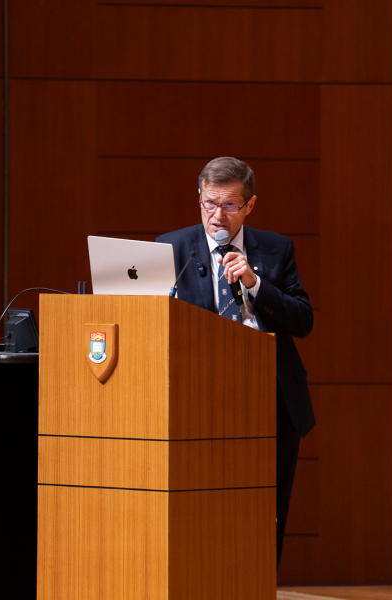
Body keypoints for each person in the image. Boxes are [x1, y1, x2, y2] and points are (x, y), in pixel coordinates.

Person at [156, 156, 315, 567]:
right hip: (198, 396)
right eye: (209, 203)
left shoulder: (276, 249)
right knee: (203, 507)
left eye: (229, 205)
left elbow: (303, 320)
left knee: (266, 510)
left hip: (270, 396)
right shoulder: (171, 248)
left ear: (250, 205)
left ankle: (260, 584)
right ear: (199, 197)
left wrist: (255, 283)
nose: (217, 215)